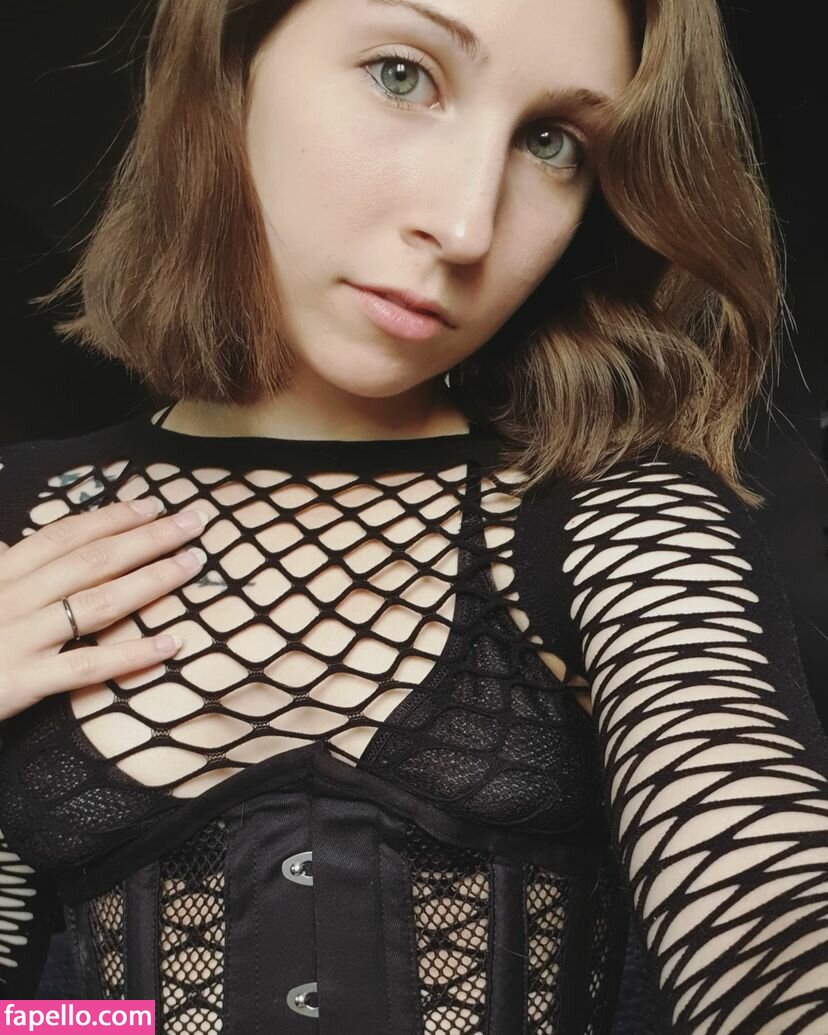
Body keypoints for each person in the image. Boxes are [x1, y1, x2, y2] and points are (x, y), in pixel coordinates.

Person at [0, 0, 825, 1032]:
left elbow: (771, 917)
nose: (468, 226)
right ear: (232, 56)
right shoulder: (20, 525)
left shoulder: (608, 514)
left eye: (552, 142)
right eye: (403, 75)